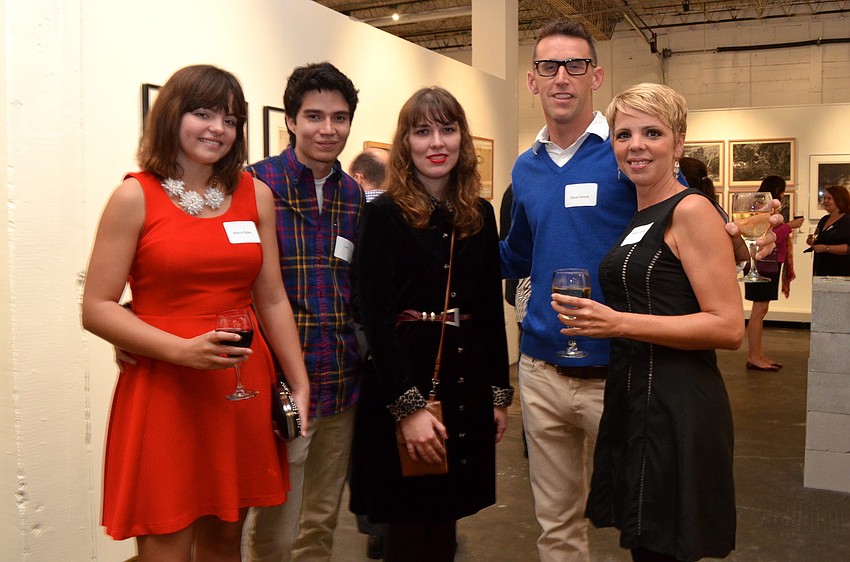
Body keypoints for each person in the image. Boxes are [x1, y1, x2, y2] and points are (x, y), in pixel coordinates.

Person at [499, 19, 780, 562]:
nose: (561, 78)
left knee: (647, 518)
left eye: (575, 66)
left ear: (595, 76)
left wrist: (732, 237)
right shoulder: (525, 168)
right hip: (541, 370)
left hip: (625, 372)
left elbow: (685, 216)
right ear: (531, 80)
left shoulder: (625, 157)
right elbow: (517, 254)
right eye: (547, 67)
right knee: (555, 524)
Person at [81, 64, 309, 561]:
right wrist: (180, 350)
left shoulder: (255, 196)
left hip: (239, 384)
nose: (217, 129)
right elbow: (96, 308)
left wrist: (298, 379)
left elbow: (270, 297)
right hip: (165, 386)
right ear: (171, 118)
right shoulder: (134, 196)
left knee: (226, 538)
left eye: (230, 119)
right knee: (165, 540)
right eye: (202, 113)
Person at [553, 82, 744, 562]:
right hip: (638, 399)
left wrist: (618, 323)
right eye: (624, 134)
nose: (636, 145)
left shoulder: (692, 210)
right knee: (647, 545)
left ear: (678, 143)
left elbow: (728, 327)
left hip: (679, 408)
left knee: (666, 547)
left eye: (652, 132)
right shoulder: (642, 214)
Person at [350, 86, 513, 562]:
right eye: (423, 131)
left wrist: (498, 395)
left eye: (447, 129)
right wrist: (409, 409)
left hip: (463, 389)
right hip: (403, 387)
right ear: (406, 142)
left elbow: (487, 313)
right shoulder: (383, 215)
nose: (436, 142)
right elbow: (374, 319)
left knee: (444, 524)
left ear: (462, 137)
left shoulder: (478, 214)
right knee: (406, 525)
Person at [243, 62, 363, 562]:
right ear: (290, 120)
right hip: (279, 387)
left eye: (339, 118)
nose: (327, 129)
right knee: (276, 524)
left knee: (321, 520)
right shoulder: (254, 185)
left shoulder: (353, 195)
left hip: (340, 382)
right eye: (314, 116)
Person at [349, 147, 390, 559]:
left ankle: (377, 527)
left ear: (358, 177)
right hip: (388, 335)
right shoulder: (399, 210)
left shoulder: (361, 211)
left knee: (365, 441)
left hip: (356, 335)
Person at [745, 176, 801, 371]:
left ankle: (758, 354)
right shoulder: (763, 207)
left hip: (769, 263)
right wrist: (790, 226)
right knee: (758, 311)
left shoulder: (765, 206)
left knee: (761, 310)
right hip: (762, 263)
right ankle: (754, 356)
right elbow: (766, 235)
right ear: (779, 190)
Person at [806, 184, 850, 276]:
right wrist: (811, 240)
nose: (825, 201)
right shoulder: (824, 220)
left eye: (829, 198)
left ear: (839, 200)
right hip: (821, 269)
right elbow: (816, 237)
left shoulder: (847, 221)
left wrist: (826, 248)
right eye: (824, 198)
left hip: (841, 271)